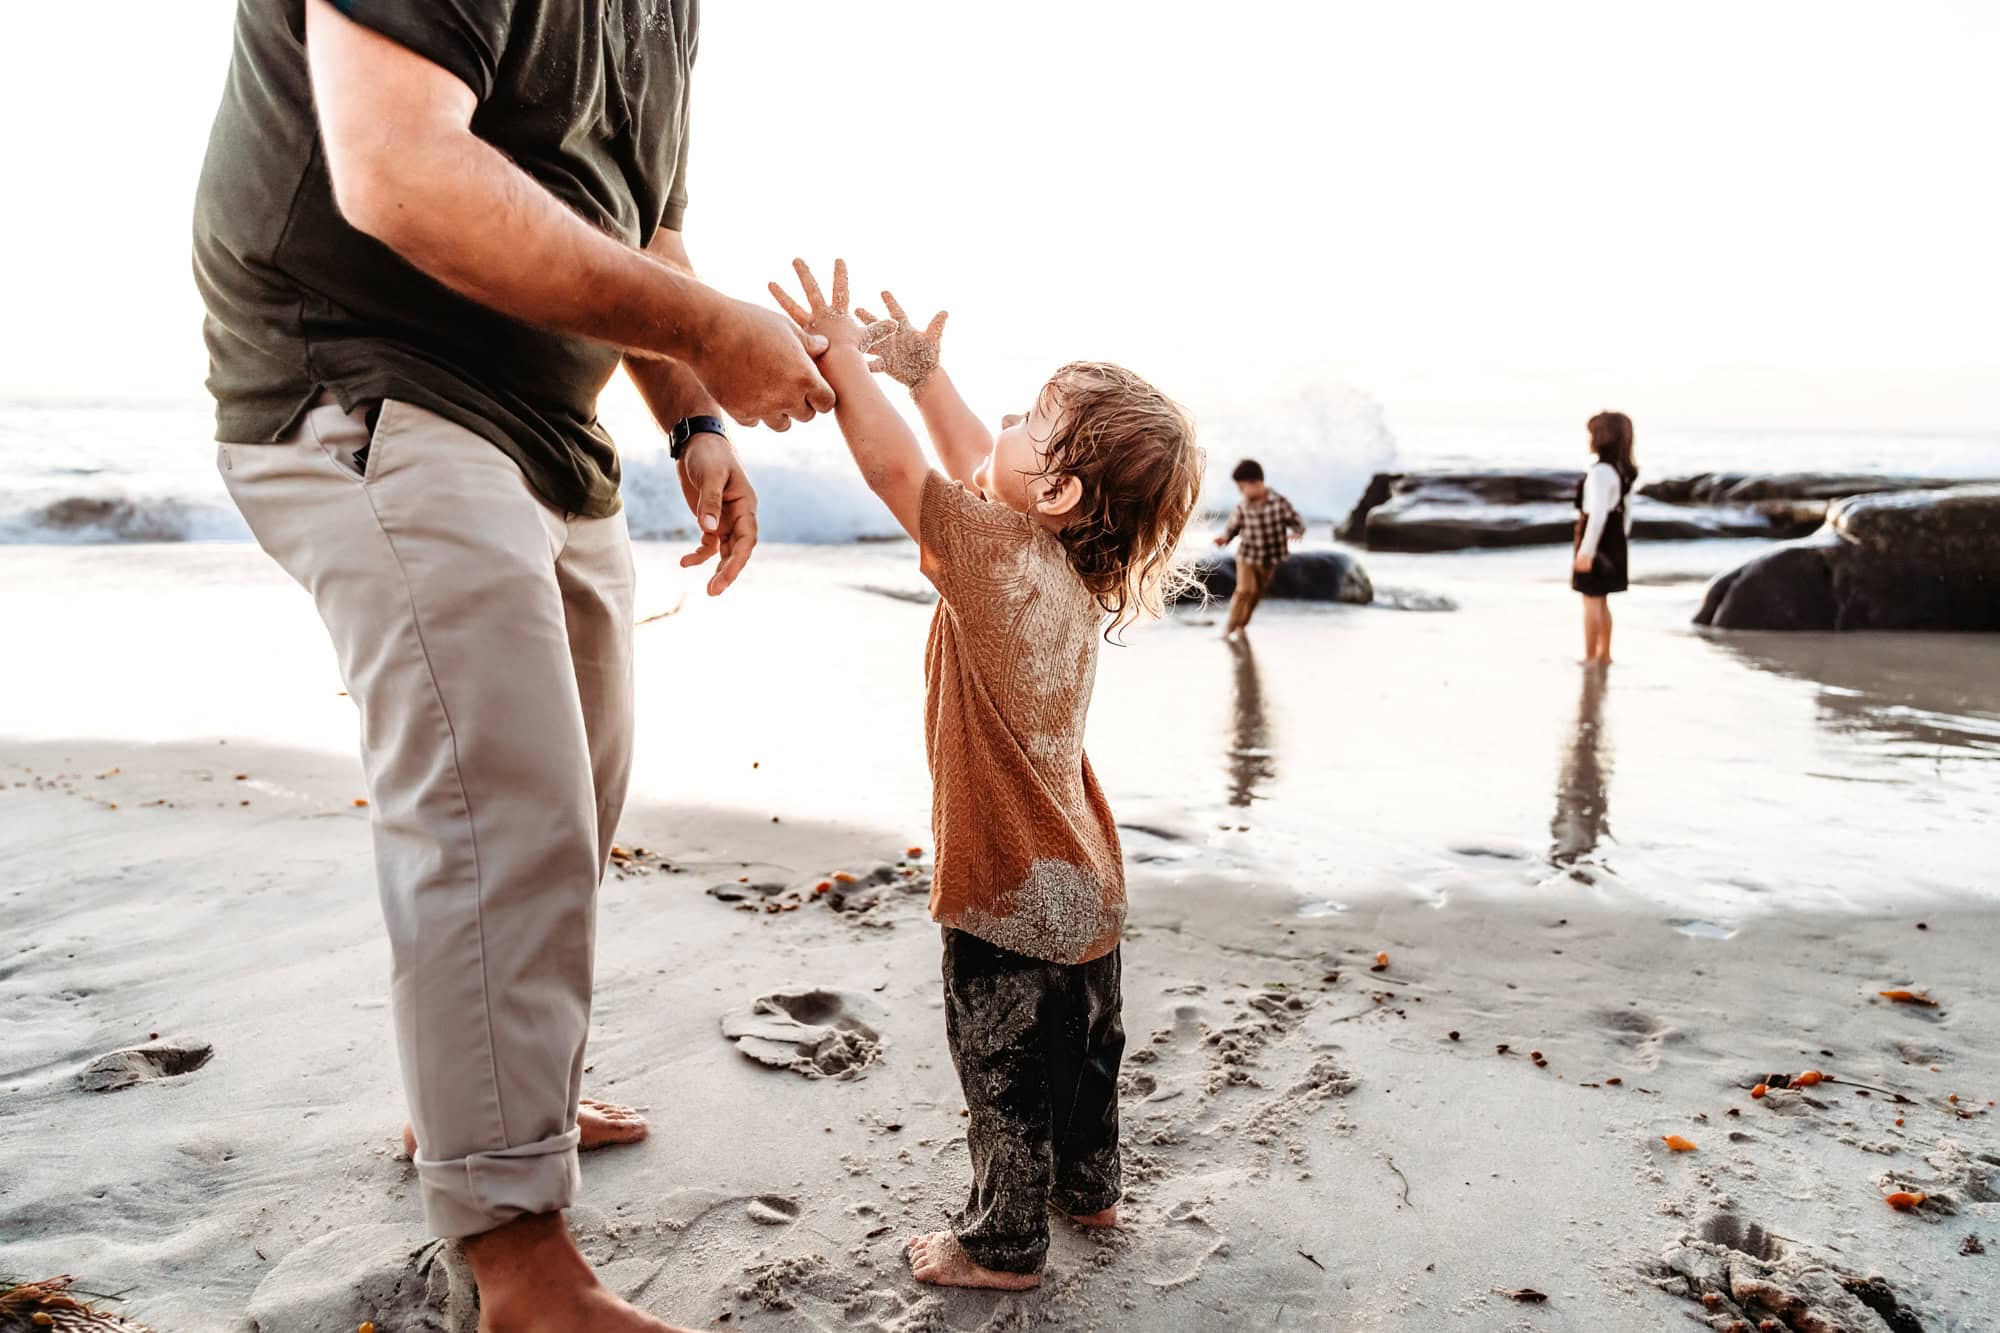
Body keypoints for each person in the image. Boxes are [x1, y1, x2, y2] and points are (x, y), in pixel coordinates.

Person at [192, 3, 834, 1326]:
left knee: (577, 790)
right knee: (504, 805)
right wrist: (715, 328)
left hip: (548, 427)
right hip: (359, 373)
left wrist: (696, 414)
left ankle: (486, 1109)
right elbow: (402, 170)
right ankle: (522, 1267)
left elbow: (636, 219)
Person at [768, 259, 1202, 1291]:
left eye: (1029, 417)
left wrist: (842, 358)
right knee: (1086, 1057)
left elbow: (894, 474)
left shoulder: (990, 552)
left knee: (1001, 1070)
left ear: (1054, 489)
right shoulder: (1067, 560)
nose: (1000, 419)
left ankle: (1003, 1242)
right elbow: (977, 460)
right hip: (1086, 880)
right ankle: (1088, 1185)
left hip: (1006, 883)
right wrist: (926, 378)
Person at [1571, 412, 1638, 664]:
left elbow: (1597, 514)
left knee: (1590, 601)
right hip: (1614, 538)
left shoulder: (1600, 471)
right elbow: (1627, 513)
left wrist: (1586, 551)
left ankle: (1590, 656)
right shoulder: (1623, 471)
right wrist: (1621, 542)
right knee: (1602, 600)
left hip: (1596, 540)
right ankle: (1604, 653)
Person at [1213, 458, 1306, 638]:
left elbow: (1296, 521)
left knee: (1255, 594)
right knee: (1244, 590)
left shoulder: (1279, 502)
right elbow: (1233, 527)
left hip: (1269, 559)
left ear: (1256, 482)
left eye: (1242, 487)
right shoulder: (1243, 506)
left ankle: (1242, 624)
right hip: (1247, 556)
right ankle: (1229, 628)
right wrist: (1224, 538)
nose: (1241, 492)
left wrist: (1297, 532)